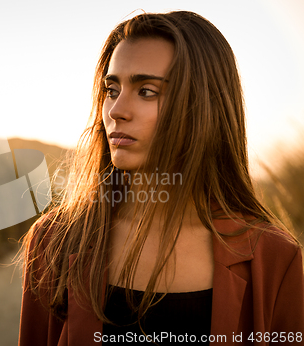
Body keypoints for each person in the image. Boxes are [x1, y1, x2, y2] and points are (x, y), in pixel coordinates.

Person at [17, 10, 304, 346]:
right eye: (111, 89)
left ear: (203, 106)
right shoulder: (55, 241)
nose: (116, 110)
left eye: (147, 91)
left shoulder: (273, 258)